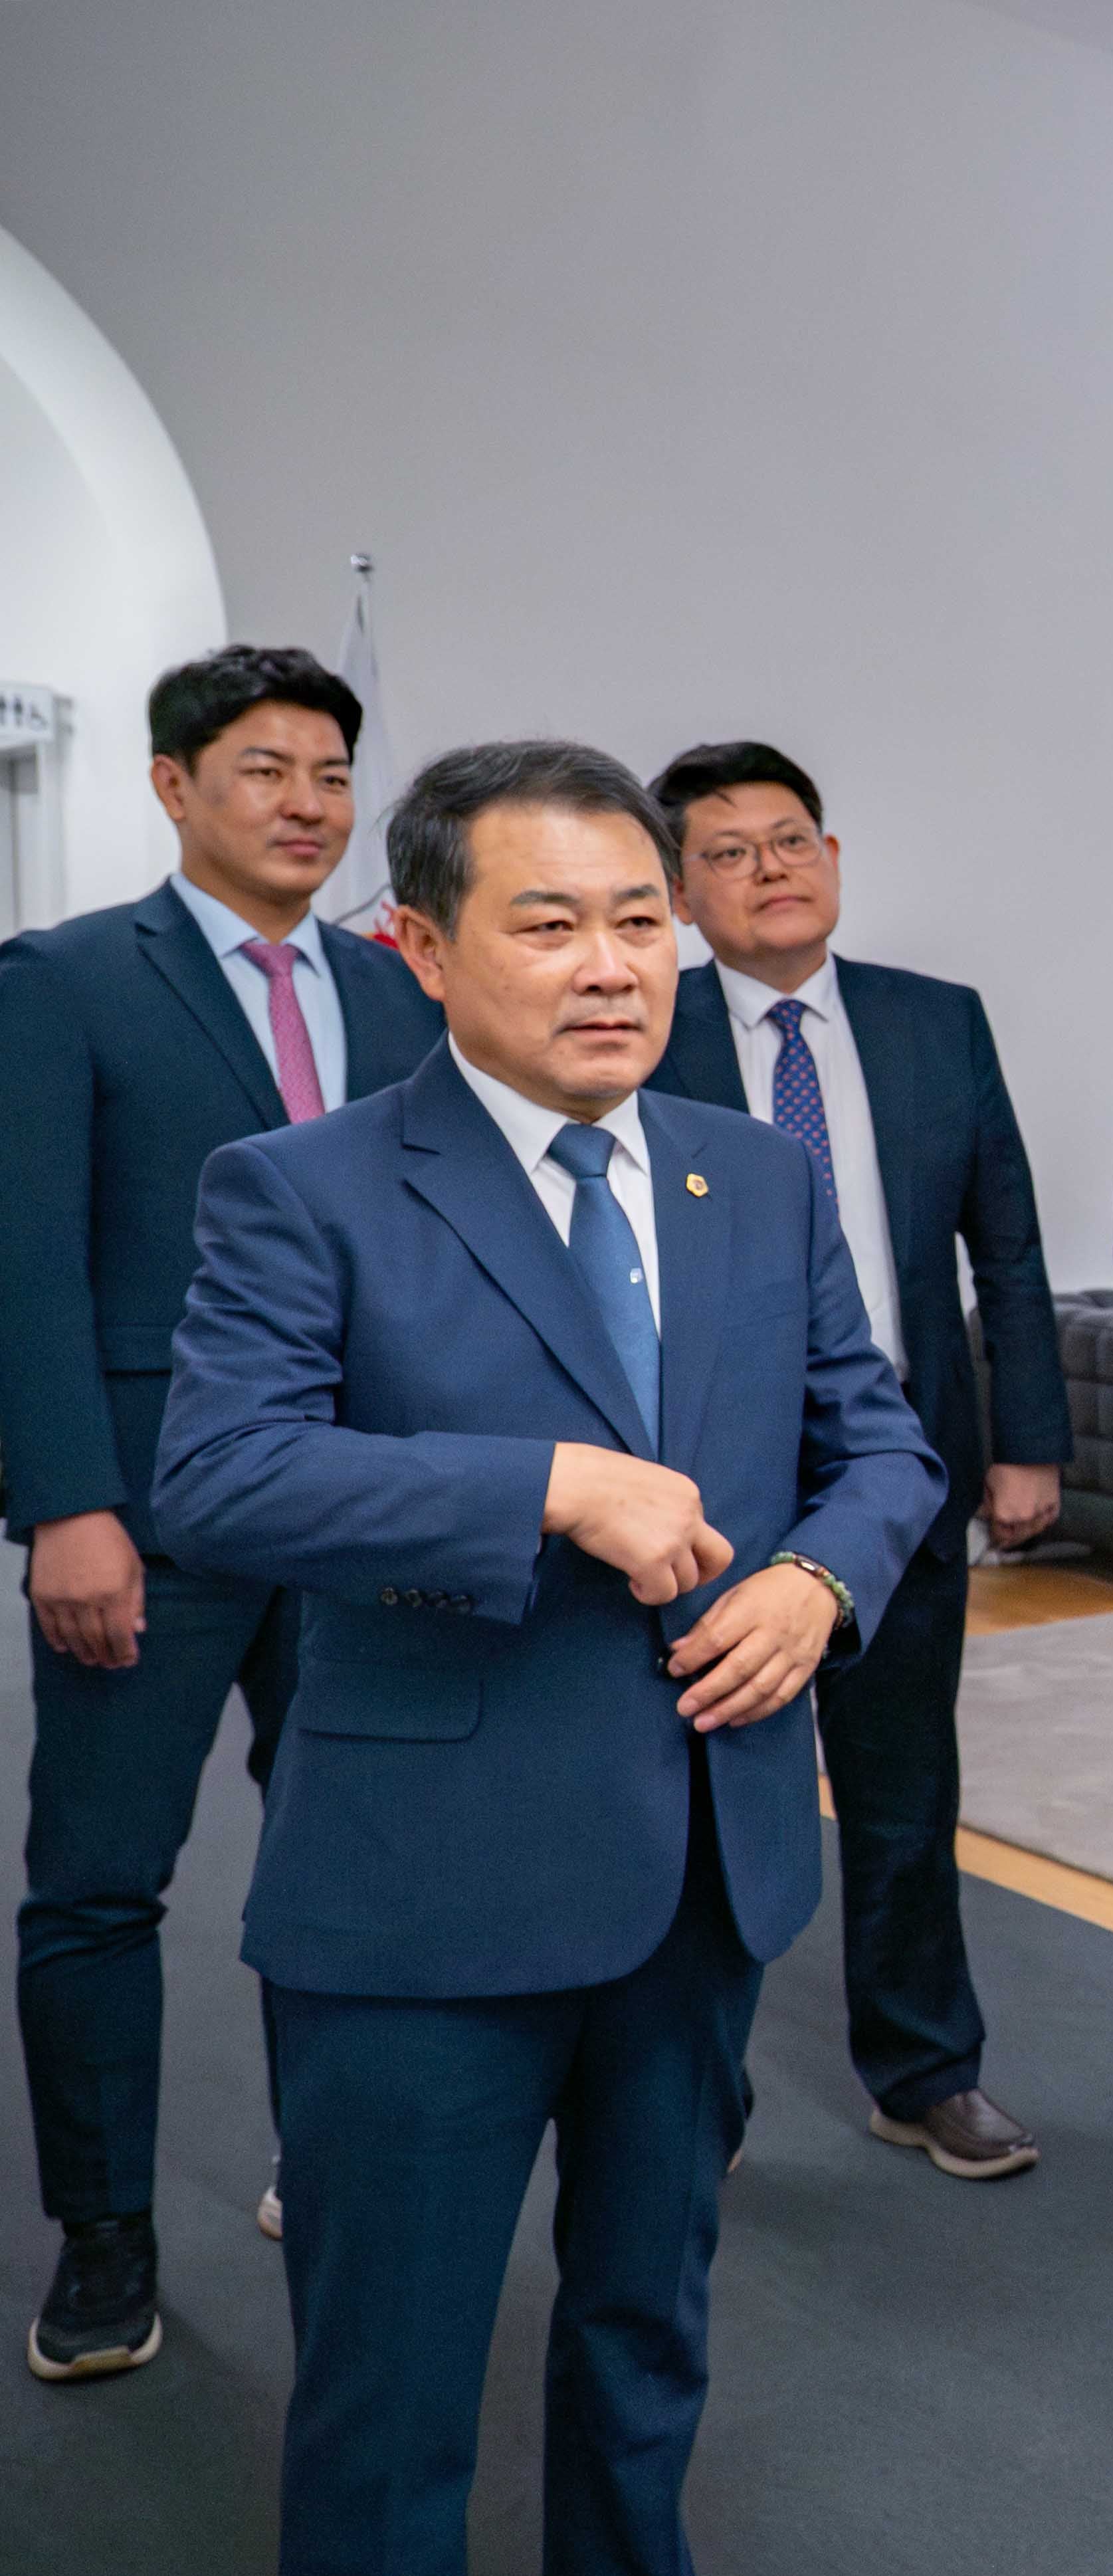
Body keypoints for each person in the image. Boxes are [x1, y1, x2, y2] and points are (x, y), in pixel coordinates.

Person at [150, 738, 941, 2571]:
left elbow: (880, 1439)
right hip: (431, 1899)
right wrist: (548, 1485)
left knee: (646, 2347)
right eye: (552, 922)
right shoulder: (306, 1184)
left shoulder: (752, 1176)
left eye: (642, 919)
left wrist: (821, 1580)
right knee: (393, 2394)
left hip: (698, 1879)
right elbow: (220, 1475)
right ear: (420, 948)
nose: (613, 965)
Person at [0, 645, 444, 2380]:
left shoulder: (401, 991)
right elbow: (27, 1262)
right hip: (159, 1510)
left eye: (331, 773)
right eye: (265, 769)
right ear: (175, 785)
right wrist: (67, 1510)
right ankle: (103, 2235)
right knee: (99, 1886)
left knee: (356, 1868)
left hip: (367, 1518)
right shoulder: (62, 982)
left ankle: (326, 2159)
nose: (307, 803)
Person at [643, 739, 1069, 2181]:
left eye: (794, 838)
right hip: (710, 1484)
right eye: (732, 851)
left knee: (905, 1793)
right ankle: (692, 2084)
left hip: (899, 1469)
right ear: (682, 894)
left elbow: (1004, 1249)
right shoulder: (651, 1030)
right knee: (712, 1797)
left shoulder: (933, 1021)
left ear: (833, 858)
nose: (773, 868)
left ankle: (925, 2069)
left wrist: (1028, 1447)